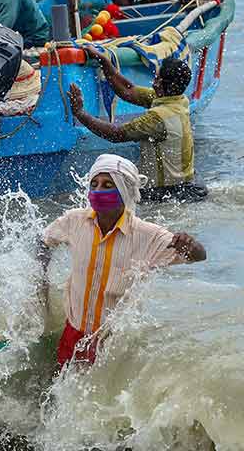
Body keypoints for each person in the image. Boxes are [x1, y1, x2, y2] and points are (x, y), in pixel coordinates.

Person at [40, 154, 205, 368]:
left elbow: (198, 257)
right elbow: (44, 241)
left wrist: (191, 245)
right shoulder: (74, 221)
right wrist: (40, 279)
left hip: (111, 341)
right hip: (73, 332)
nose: (98, 190)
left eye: (108, 185)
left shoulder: (148, 235)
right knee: (58, 385)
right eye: (94, 184)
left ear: (124, 190)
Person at [68, 49, 205, 202]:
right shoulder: (179, 100)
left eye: (157, 79)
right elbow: (128, 90)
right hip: (189, 186)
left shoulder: (157, 118)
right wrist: (104, 61)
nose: (153, 82)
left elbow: (116, 134)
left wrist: (80, 114)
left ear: (162, 85)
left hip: (167, 195)